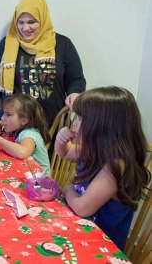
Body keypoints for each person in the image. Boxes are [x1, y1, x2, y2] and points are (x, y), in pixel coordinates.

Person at [0, 0, 86, 126]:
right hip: (13, 126)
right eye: (20, 22)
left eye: (31, 22)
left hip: (51, 125)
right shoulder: (7, 44)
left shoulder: (63, 44)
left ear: (43, 19)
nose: (25, 28)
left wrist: (75, 93)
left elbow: (75, 79)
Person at [55, 86, 151, 251]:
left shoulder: (116, 165)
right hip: (78, 233)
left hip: (100, 248)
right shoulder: (96, 150)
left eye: (80, 119)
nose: (75, 123)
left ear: (102, 127)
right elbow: (65, 152)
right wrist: (60, 140)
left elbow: (82, 208)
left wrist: (68, 188)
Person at [0, 94, 51, 174]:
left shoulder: (29, 134)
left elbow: (23, 152)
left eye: (8, 115)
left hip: (40, 181)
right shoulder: (18, 126)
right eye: (3, 113)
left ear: (24, 120)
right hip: (27, 172)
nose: (2, 118)